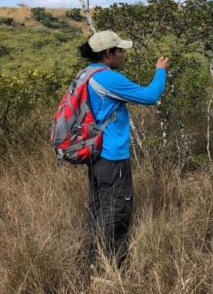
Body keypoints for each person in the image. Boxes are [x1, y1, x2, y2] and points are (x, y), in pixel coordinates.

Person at [78, 30, 169, 269]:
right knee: (117, 208)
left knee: (99, 205)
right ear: (108, 53)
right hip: (112, 154)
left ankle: (93, 257)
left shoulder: (87, 74)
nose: (123, 54)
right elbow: (150, 96)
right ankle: (111, 266)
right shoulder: (107, 78)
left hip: (95, 153)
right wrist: (161, 69)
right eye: (120, 50)